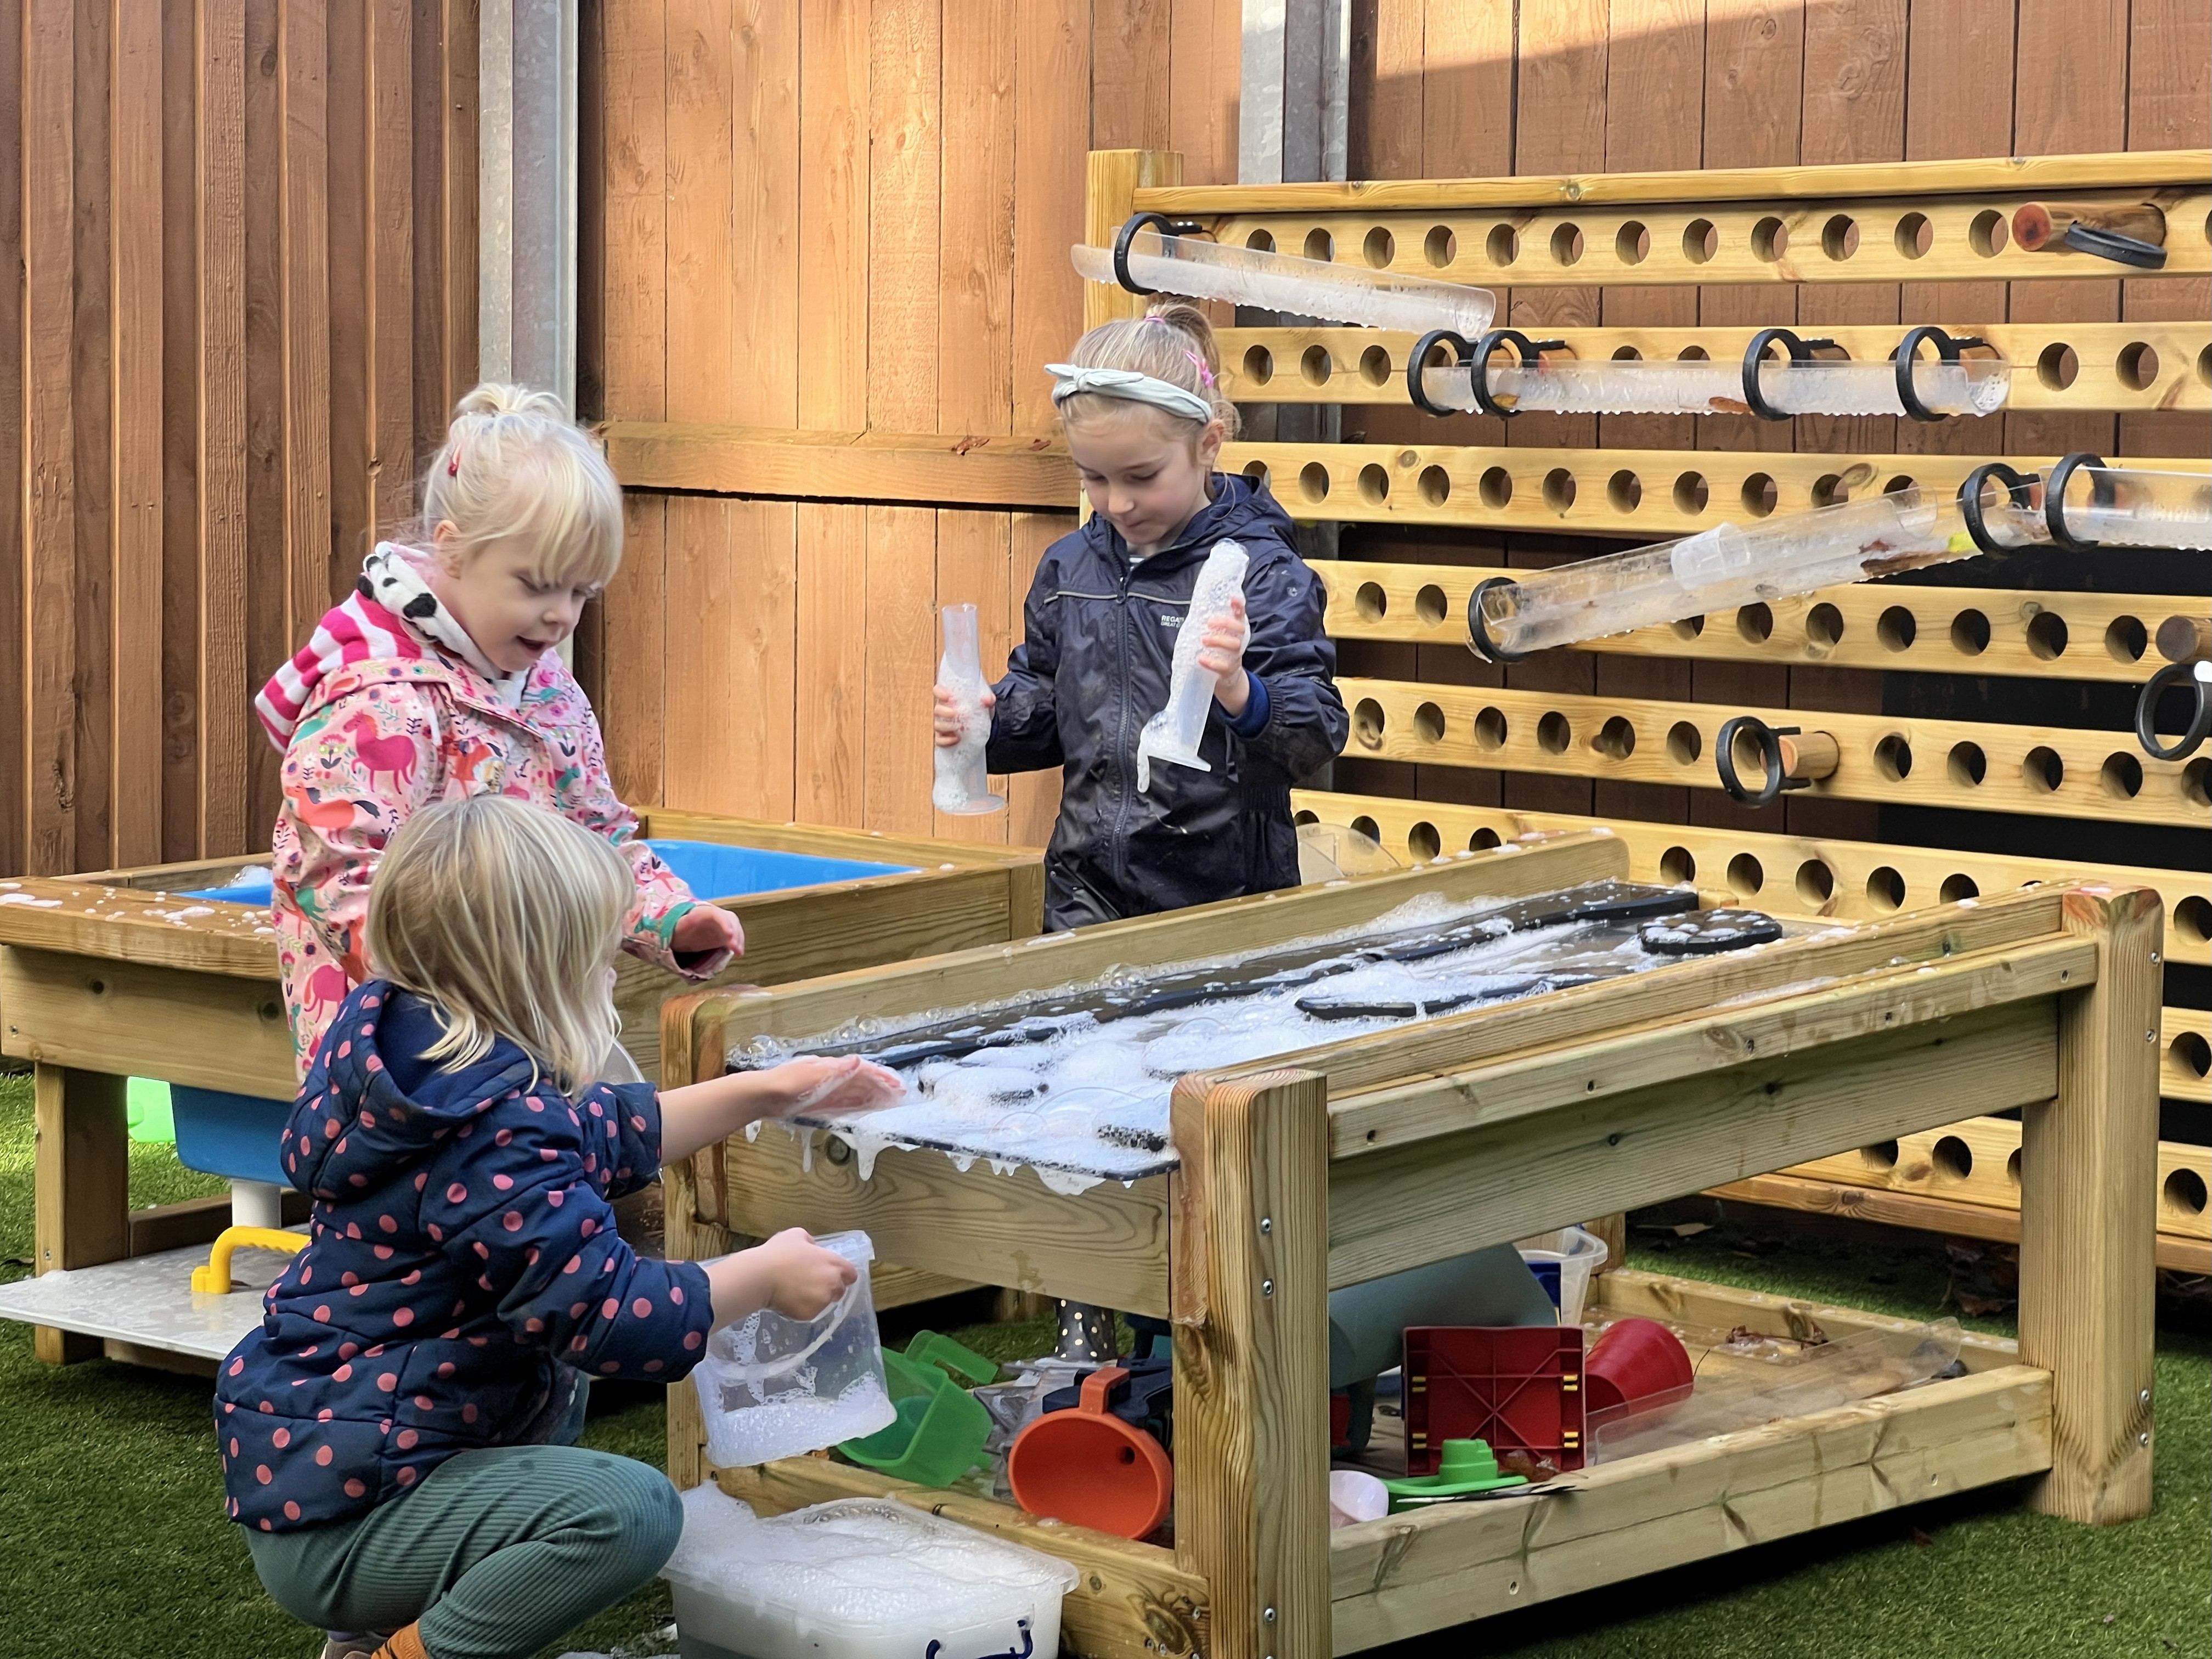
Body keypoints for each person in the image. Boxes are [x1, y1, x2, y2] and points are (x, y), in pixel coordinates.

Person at [216, 795, 900, 1659]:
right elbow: (607, 1315)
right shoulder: (488, 1124)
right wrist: (767, 1277)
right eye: (599, 954)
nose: (614, 970)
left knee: (546, 1395)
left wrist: (769, 1090)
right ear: (535, 971)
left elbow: (601, 1131)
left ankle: (377, 1628)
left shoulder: (425, 1067)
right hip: (357, 1508)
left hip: (330, 1469)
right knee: (626, 1512)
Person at [256, 383, 744, 1079]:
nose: (560, 617)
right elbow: (335, 867)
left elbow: (598, 842)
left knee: (571, 1169)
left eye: (580, 593)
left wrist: (671, 920)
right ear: (453, 553)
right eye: (536, 585)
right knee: (453, 1186)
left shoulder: (549, 693)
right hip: (406, 1059)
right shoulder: (380, 696)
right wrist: (447, 992)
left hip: (542, 1029)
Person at [934, 303, 1346, 930]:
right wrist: (988, 718)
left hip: (1225, 902)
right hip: (1084, 892)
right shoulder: (1070, 570)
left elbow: (1317, 732)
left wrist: (1239, 690)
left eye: (1141, 476)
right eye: (1093, 477)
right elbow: (1049, 700)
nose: (1117, 502)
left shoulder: (1261, 572)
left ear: (1208, 444)